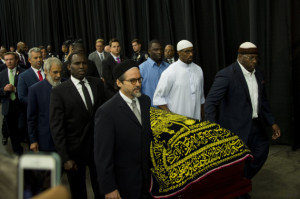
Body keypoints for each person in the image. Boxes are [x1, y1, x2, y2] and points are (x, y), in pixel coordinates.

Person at [204, 42, 281, 182]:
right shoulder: (226, 75)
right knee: (238, 160)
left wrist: (272, 122)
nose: (255, 61)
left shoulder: (258, 74)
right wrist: (213, 127)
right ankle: (239, 187)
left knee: (262, 151)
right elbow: (210, 102)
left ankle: (242, 180)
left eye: (256, 57)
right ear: (240, 57)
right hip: (235, 127)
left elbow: (263, 101)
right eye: (251, 58)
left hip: (256, 125)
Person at [50, 52, 106, 199]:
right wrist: (65, 157)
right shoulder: (59, 92)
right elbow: (57, 128)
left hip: (97, 148)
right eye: (77, 64)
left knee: (101, 187)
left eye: (84, 63)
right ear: (68, 67)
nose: (81, 66)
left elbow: (105, 113)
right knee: (78, 191)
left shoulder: (97, 84)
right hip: (74, 152)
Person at [94, 59, 151, 199]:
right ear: (119, 83)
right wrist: (109, 188)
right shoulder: (106, 112)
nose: (138, 84)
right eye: (132, 81)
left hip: (148, 181)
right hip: (125, 184)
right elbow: (103, 156)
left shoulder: (145, 101)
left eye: (139, 79)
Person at [153, 40, 205, 120]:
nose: (191, 54)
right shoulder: (170, 71)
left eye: (191, 51)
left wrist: (204, 119)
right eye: (187, 51)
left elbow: (201, 99)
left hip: (197, 123)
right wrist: (173, 117)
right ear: (179, 52)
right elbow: (158, 99)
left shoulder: (198, 70)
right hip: (178, 125)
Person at [27, 57, 63, 152]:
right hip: (46, 140)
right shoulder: (35, 90)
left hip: (67, 139)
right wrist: (33, 140)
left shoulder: (67, 84)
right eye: (55, 72)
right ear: (46, 71)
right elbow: (31, 118)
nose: (58, 75)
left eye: (60, 72)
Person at [0, 52, 26, 154]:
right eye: (6, 60)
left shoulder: (23, 73)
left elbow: (28, 90)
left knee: (21, 126)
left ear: (16, 60)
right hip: (7, 106)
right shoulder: (1, 74)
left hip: (20, 105)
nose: (9, 61)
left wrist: (16, 89)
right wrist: (4, 90)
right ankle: (17, 150)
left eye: (11, 59)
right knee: (11, 130)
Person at [139, 40, 169, 106]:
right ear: (149, 51)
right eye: (156, 50)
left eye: (161, 49)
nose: (159, 52)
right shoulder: (141, 69)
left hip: (169, 110)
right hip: (151, 111)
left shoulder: (169, 67)